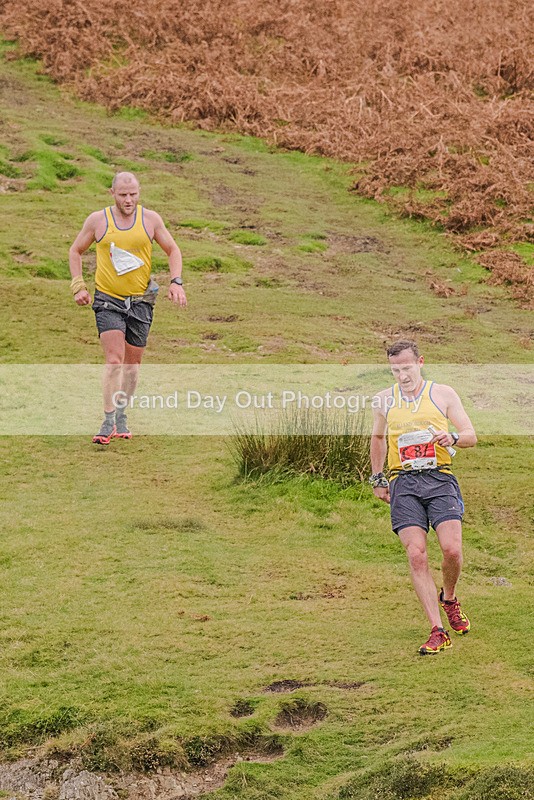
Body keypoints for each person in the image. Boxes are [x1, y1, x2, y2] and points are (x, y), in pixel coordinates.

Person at [370, 340, 477, 655]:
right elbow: (377, 438)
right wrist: (378, 478)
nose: (401, 375)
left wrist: (453, 436)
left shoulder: (443, 393)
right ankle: (437, 630)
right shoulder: (383, 400)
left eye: (406, 367)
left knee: (452, 550)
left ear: (420, 363)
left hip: (439, 478)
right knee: (416, 554)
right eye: (395, 369)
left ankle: (450, 597)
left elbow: (470, 435)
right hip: (403, 483)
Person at [69, 172, 187, 443]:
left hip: (141, 301)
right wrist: (79, 285)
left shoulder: (150, 219)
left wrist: (176, 282)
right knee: (114, 360)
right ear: (112, 193)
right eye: (123, 195)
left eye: (133, 194)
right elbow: (75, 250)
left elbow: (173, 250)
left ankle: (122, 414)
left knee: (132, 367)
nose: (129, 200)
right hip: (108, 299)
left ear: (139, 192)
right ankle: (107, 419)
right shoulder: (98, 220)